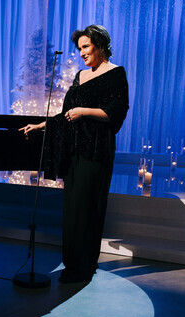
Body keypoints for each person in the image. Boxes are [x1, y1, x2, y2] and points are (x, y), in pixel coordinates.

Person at [20, 25, 129, 283]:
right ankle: (72, 264)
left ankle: (84, 266)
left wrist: (84, 111)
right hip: (74, 149)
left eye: (86, 47)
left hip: (96, 150)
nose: (81, 53)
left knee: (88, 206)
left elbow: (117, 111)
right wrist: (41, 125)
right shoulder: (80, 76)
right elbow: (66, 114)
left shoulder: (116, 73)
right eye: (79, 48)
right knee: (72, 207)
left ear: (100, 46)